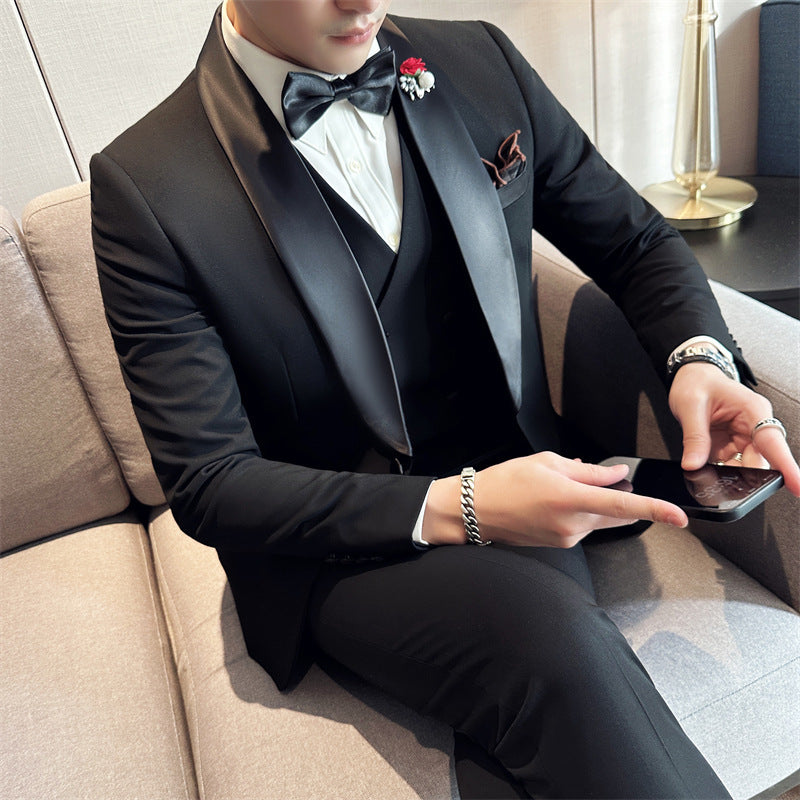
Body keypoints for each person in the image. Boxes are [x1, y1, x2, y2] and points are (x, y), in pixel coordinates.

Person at [90, 1, 800, 797]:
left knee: (537, 680)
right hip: (343, 544)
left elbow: (633, 239)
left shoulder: (479, 60)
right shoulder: (145, 185)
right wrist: (463, 506)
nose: (363, 2)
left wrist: (697, 359)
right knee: (546, 639)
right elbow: (210, 481)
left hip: (528, 474)